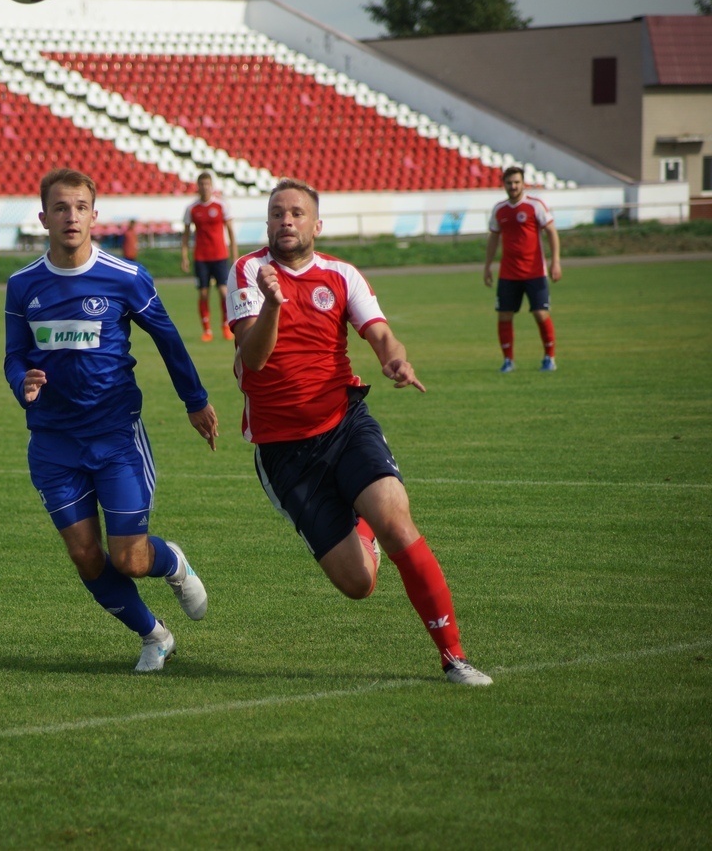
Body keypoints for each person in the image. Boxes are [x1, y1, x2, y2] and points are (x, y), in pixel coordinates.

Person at [226, 177, 492, 686]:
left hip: (344, 423)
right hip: (284, 452)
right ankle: (358, 521)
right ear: (266, 224)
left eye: (297, 213)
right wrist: (275, 304)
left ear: (316, 225)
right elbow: (254, 361)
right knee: (358, 583)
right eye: (278, 213)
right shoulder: (248, 272)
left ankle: (453, 656)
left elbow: (381, 332)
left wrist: (395, 360)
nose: (287, 221)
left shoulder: (341, 275)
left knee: (397, 522)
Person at [4, 168, 220, 672]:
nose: (70, 216)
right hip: (53, 442)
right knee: (85, 556)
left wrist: (195, 400)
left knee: (129, 558)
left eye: (80, 206)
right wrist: (22, 383)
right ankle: (153, 634)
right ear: (43, 218)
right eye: (60, 207)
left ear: (94, 215)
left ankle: (173, 563)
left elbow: (168, 340)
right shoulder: (22, 285)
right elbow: (14, 356)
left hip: (115, 437)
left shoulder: (125, 277)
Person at [484, 166, 561, 373]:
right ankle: (508, 361)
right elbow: (493, 237)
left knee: (540, 313)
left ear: (523, 183)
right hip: (508, 273)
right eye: (509, 183)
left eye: (517, 182)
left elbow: (552, 232)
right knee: (504, 316)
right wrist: (487, 266)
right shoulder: (499, 210)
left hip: (534, 271)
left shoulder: (535, 206)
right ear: (504, 184)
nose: (513, 186)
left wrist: (556, 261)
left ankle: (549, 358)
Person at [180, 171, 237, 342]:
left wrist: (234, 254)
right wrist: (184, 256)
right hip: (201, 257)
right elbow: (185, 235)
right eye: (202, 184)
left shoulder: (221, 205)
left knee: (223, 291)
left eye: (207, 184)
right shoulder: (192, 209)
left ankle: (226, 325)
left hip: (220, 255)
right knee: (204, 294)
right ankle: (207, 330)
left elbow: (230, 231)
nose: (205, 187)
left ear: (211, 186)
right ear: (198, 187)